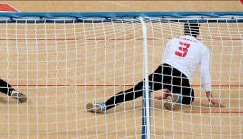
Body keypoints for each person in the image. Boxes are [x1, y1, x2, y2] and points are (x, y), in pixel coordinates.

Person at [86, 22, 222, 113]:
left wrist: (166, 89)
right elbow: (204, 71)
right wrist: (209, 97)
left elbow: (165, 61)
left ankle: (105, 105)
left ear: (184, 30)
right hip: (181, 77)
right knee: (190, 96)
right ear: (197, 33)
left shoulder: (173, 40)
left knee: (136, 90)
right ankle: (178, 98)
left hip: (162, 71)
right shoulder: (203, 48)